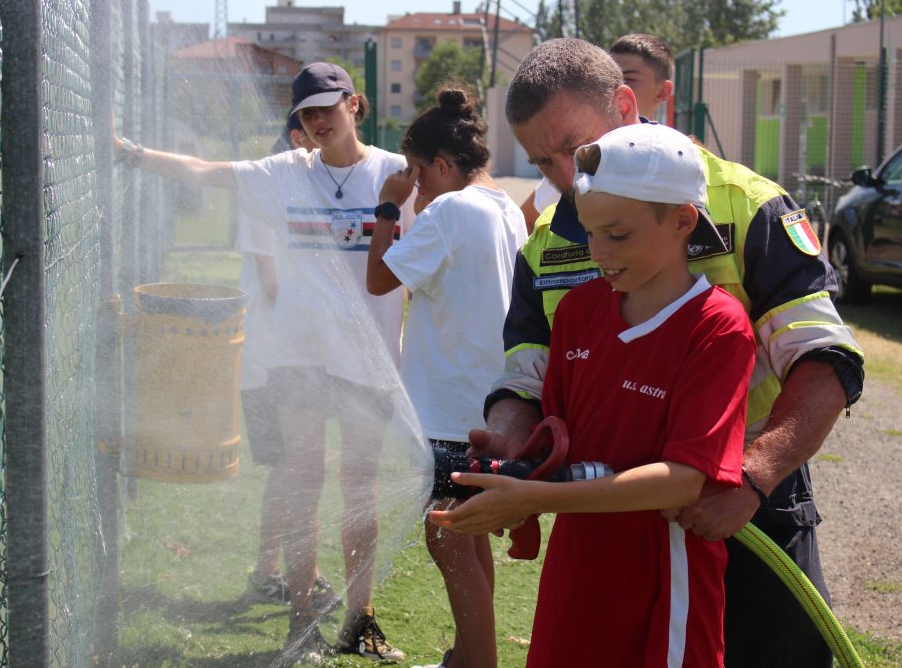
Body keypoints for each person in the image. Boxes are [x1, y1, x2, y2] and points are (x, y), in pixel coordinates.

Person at [472, 38, 865, 668]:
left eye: (573, 149)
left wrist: (752, 478)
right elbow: (526, 375)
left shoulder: (747, 204)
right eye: (544, 163)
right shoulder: (544, 243)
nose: (566, 181)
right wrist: (508, 444)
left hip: (746, 505)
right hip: (611, 523)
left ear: (627, 105)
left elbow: (828, 360)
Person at [431, 122, 757, 667]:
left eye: (618, 235)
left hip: (664, 582)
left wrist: (539, 498)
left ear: (682, 221)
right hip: (577, 571)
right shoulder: (580, 313)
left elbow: (683, 480)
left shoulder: (718, 328)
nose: (599, 252)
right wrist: (516, 460)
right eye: (589, 232)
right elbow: (563, 439)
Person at [114, 61, 409, 663]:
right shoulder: (282, 173)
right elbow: (204, 170)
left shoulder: (395, 176)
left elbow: (460, 191)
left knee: (360, 488)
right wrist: (133, 154)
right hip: (299, 359)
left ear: (356, 105)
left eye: (328, 106)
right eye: (307, 112)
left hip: (369, 361)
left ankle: (361, 616)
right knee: (303, 479)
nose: (318, 120)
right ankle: (302, 620)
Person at [365, 87, 528, 668]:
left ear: (440, 165)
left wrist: (387, 208)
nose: (414, 186)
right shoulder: (504, 205)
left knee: (448, 536)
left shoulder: (450, 209)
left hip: (449, 408)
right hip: (488, 403)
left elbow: (381, 280)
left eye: (416, 172)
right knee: (468, 531)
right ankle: (468, 655)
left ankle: (477, 663)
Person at [243, 112, 339, 615]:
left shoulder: (294, 191)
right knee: (290, 467)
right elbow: (272, 281)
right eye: (311, 137)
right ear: (296, 138)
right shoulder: (266, 191)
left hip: (291, 357)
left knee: (295, 467)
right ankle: (267, 570)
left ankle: (292, 568)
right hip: (269, 359)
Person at [518, 32, 675, 231]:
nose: (613, 83)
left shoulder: (685, 161)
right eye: (604, 75)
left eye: (628, 78)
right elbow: (527, 219)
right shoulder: (572, 168)